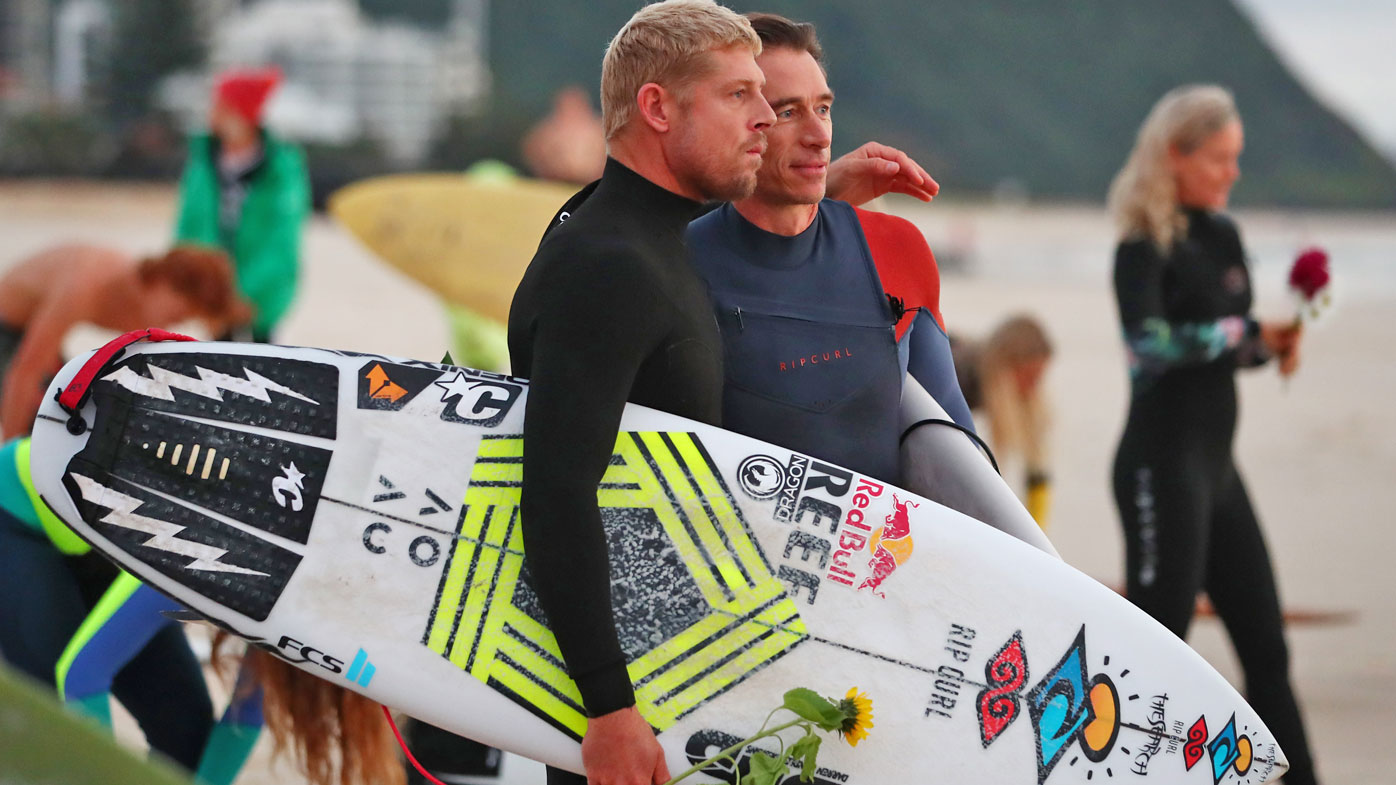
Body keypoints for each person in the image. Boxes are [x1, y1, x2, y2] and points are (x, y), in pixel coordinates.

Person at [1107, 85, 1317, 785]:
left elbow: (1229, 347)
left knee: (1267, 647)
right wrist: (1244, 332)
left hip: (1218, 470)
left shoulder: (1224, 236)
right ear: (1176, 155)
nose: (1231, 173)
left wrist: (1271, 343)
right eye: (1220, 159)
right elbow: (1151, 344)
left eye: (1236, 159)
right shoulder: (1142, 244)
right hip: (1158, 467)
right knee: (1158, 649)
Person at [686, 12, 974, 490]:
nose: (819, 136)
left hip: (880, 558)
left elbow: (958, 445)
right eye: (788, 112)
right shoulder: (680, 263)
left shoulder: (895, 249)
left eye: (823, 108)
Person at [0, 437, 261, 784]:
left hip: (107, 547)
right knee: (54, 715)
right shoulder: (203, 548)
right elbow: (81, 676)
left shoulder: (310, 617)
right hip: (17, 515)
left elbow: (250, 711)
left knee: (187, 730)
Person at [0, 244, 250, 439]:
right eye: (179, 316)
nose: (177, 323)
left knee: (79, 416)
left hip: (33, 329)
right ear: (164, 281)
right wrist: (9, 459)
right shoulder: (87, 284)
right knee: (43, 426)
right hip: (7, 326)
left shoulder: (145, 301)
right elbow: (25, 372)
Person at [174, 66, 310, 343]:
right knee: (215, 364)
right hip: (211, 284)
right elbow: (189, 222)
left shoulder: (280, 169)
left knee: (262, 359)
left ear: (244, 115)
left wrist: (251, 293)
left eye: (223, 107)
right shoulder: (204, 160)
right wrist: (190, 280)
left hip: (262, 289)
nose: (213, 114)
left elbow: (281, 238)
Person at [950, 314, 1054, 526]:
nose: (1034, 388)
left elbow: (1037, 471)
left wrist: (1038, 536)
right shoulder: (958, 377)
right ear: (1005, 366)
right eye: (1031, 378)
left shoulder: (979, 371)